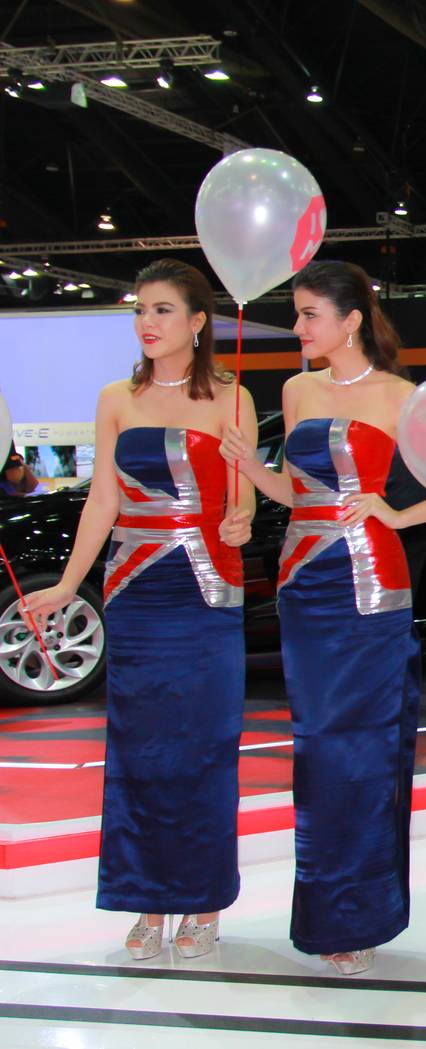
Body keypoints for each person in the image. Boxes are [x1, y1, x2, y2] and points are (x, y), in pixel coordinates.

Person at [222, 260, 426, 975]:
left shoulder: (401, 396)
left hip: (370, 589)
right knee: (317, 748)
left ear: (351, 319)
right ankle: (329, 913)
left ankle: (359, 913)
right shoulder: (295, 389)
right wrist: (251, 472)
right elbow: (298, 491)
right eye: (297, 313)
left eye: (309, 314)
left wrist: (397, 511)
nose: (298, 327)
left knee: (365, 751)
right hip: (304, 586)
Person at [26, 258, 254, 961]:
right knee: (140, 751)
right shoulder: (114, 397)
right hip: (136, 596)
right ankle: (147, 898)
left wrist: (243, 514)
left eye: (161, 310)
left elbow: (243, 494)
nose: (147, 323)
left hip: (207, 591)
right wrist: (69, 584)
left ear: (196, 322)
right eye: (139, 310)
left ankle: (202, 898)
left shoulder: (231, 395)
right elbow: (103, 499)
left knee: (205, 748)